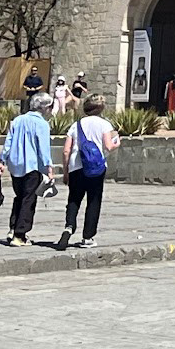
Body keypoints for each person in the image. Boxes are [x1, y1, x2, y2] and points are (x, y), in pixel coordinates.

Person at [56, 95, 120, 249]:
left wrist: (65, 172)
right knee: (93, 201)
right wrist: (117, 142)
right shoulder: (105, 125)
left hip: (76, 167)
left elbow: (66, 150)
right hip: (96, 168)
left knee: (74, 199)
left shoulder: (75, 125)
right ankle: (88, 237)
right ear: (101, 109)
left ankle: (69, 226)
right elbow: (108, 146)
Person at [0, 93, 55, 246]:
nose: (51, 110)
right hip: (32, 166)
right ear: (44, 108)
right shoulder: (42, 124)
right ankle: (20, 234)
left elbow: (8, 142)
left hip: (15, 165)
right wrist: (49, 166)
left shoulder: (18, 120)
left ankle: (13, 227)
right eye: (50, 107)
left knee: (20, 196)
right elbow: (44, 148)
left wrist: (2, 160)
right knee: (28, 198)